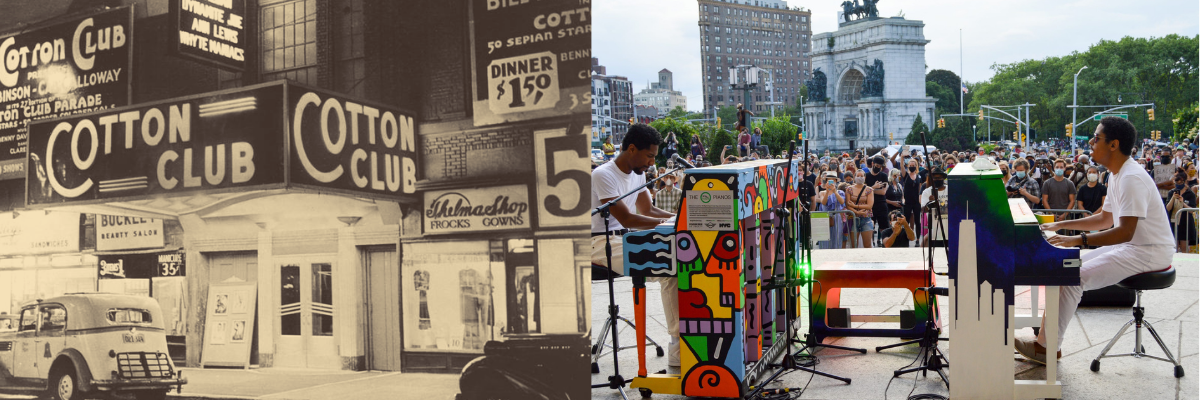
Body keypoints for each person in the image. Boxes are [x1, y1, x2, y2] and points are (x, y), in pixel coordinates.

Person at [1018, 117, 1175, 365]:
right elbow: (1104, 219)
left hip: (1148, 252)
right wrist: (1061, 224)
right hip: (1134, 247)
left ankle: (1047, 348)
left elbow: (1125, 232)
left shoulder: (1131, 178)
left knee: (1071, 277)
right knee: (1063, 266)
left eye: (1096, 138)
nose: (1091, 142)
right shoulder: (1116, 174)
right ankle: (1046, 339)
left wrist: (1077, 240)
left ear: (1113, 145)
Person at [590, 123, 680, 366]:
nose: (652, 163)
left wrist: (678, 218)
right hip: (599, 243)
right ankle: (678, 347)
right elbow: (627, 218)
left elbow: (647, 210)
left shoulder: (638, 174)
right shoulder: (603, 174)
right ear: (631, 149)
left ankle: (683, 340)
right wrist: (671, 221)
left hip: (624, 238)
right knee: (668, 267)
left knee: (680, 261)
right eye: (649, 155)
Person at [1166, 171, 1197, 253]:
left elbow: (1192, 210)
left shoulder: (1190, 193)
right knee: (1174, 247)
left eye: (1181, 182)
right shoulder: (1171, 192)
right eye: (1177, 182)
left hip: (1185, 222)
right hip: (1174, 222)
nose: (1179, 184)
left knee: (1184, 247)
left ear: (1185, 181)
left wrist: (1182, 203)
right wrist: (1173, 198)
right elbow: (1168, 208)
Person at [815, 173, 846, 249]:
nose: (831, 183)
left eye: (832, 181)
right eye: (828, 181)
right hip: (825, 218)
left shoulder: (840, 192)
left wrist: (835, 191)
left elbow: (842, 202)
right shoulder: (822, 192)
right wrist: (827, 191)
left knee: (837, 238)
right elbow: (823, 202)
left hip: (837, 218)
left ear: (835, 181)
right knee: (825, 239)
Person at [845, 170, 875, 248]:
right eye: (858, 176)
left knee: (867, 245)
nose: (860, 178)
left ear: (865, 177)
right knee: (854, 245)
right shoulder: (849, 189)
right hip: (853, 218)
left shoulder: (869, 189)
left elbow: (869, 206)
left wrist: (855, 206)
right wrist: (857, 212)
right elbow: (848, 205)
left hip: (866, 218)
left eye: (862, 176)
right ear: (854, 177)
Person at [864, 156, 890, 246]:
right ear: (872, 164)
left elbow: (883, 192)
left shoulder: (883, 176)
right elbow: (864, 191)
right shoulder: (866, 176)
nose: (878, 167)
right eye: (876, 165)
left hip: (881, 204)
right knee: (870, 226)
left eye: (880, 166)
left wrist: (870, 189)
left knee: (884, 227)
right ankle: (871, 244)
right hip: (870, 205)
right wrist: (874, 188)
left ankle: (885, 244)